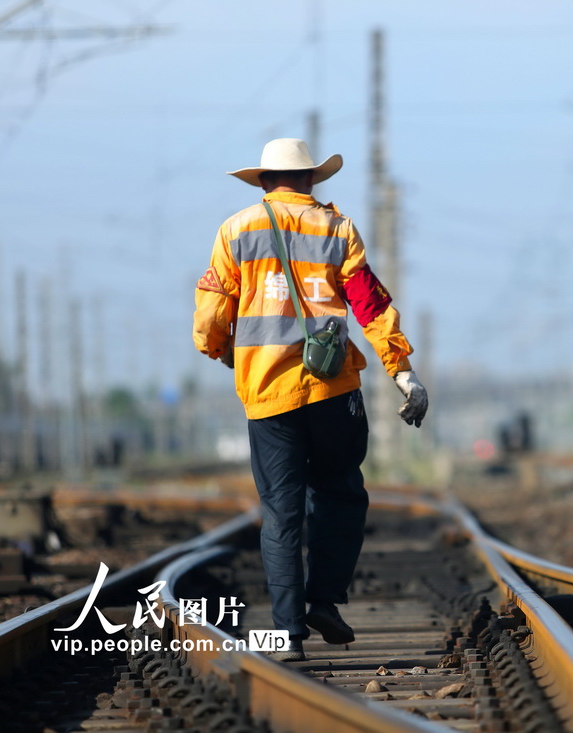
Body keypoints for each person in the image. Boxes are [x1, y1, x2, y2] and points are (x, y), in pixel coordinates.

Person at [193, 138, 428, 662]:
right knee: (340, 494)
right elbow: (369, 303)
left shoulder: (235, 231)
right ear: (312, 180)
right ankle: (323, 601)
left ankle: (287, 636)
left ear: (262, 182)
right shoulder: (337, 229)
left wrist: (223, 351)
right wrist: (402, 371)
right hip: (331, 387)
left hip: (266, 393)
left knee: (280, 514)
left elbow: (210, 315)